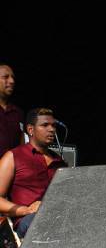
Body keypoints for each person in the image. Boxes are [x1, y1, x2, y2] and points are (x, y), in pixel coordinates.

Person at [0, 108, 67, 237]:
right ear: (30, 130)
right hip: (30, 220)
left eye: (53, 125)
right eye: (45, 125)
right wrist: (25, 210)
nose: (52, 129)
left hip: (58, 217)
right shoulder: (13, 156)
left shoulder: (60, 162)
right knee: (43, 222)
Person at [0, 64, 24, 157]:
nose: (12, 81)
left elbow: (22, 145)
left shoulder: (18, 112)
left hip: (12, 168)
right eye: (6, 77)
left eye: (13, 77)